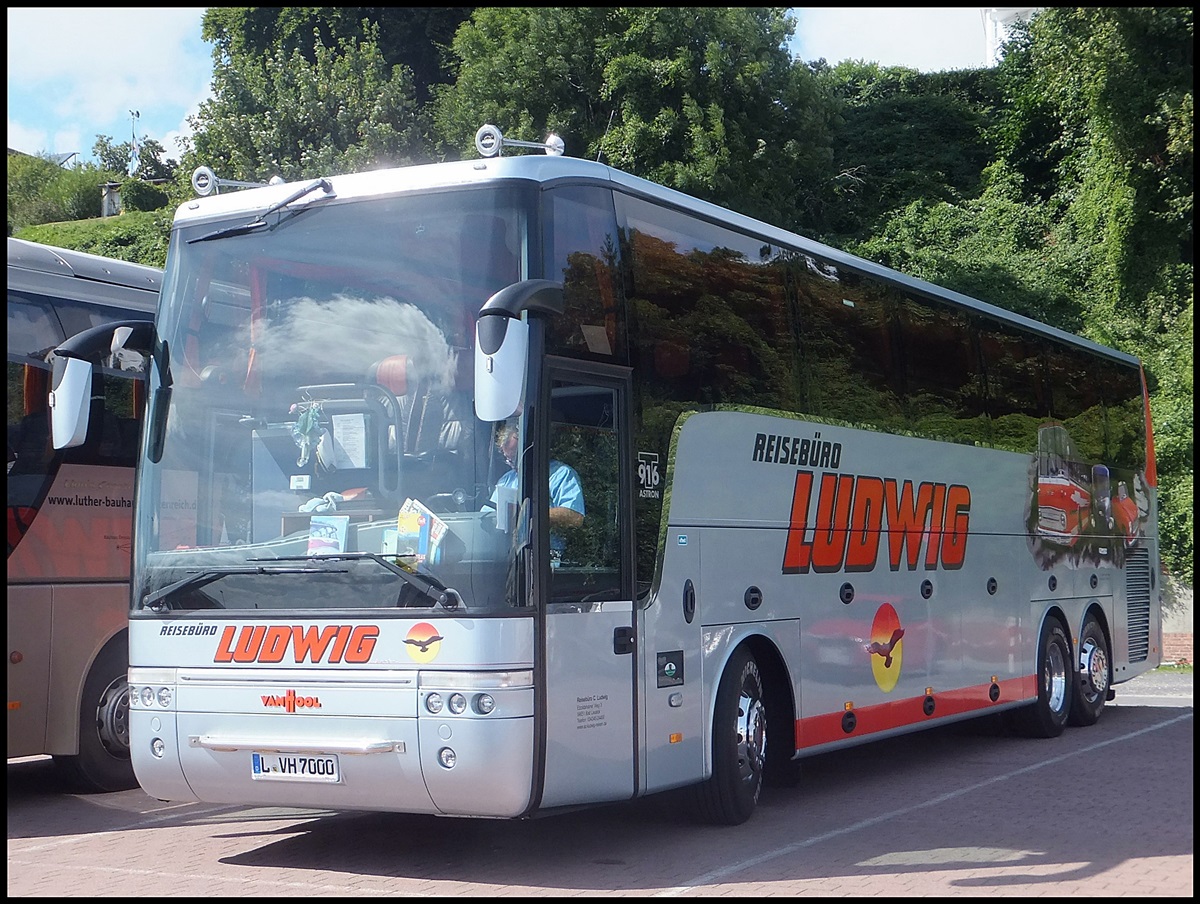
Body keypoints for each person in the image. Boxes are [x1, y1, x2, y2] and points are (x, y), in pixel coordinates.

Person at [488, 420, 584, 560]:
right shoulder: (506, 480)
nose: (511, 464)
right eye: (507, 460)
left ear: (529, 448)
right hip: (513, 559)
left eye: (514, 458)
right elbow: (488, 514)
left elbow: (576, 517)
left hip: (549, 559)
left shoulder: (561, 474)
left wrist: (529, 516)